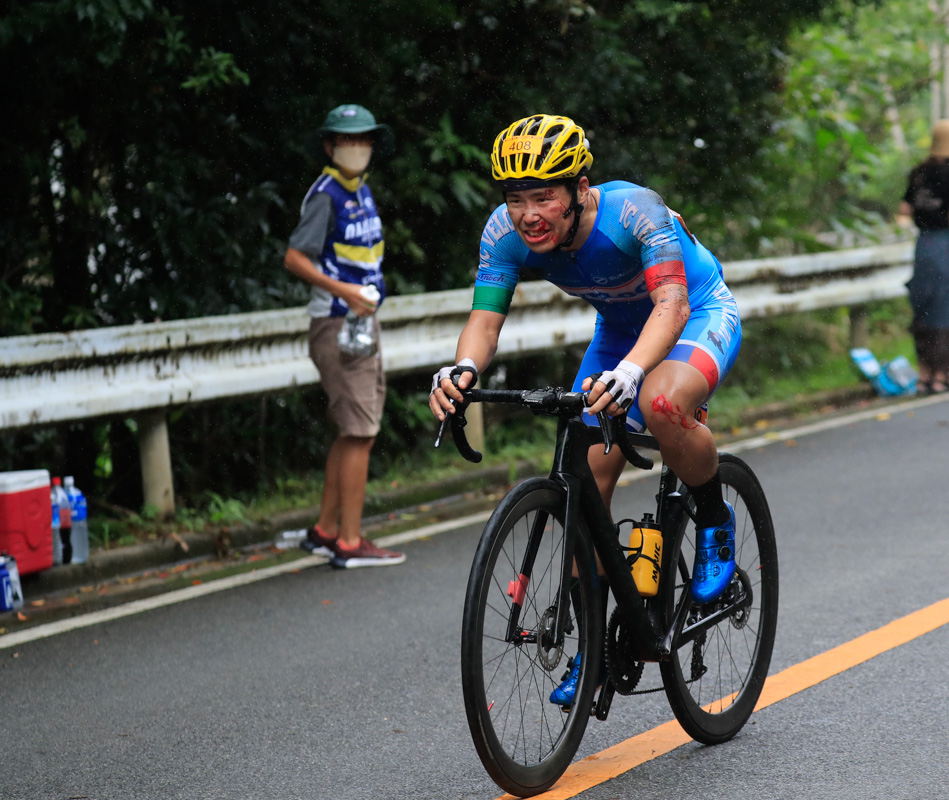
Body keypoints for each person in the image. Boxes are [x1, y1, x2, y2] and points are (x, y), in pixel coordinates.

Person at [428, 114, 742, 705]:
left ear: (581, 188)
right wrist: (462, 371)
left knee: (660, 402)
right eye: (517, 198)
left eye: (545, 195)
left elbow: (671, 304)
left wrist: (630, 373)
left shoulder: (633, 212)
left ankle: (713, 516)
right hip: (621, 332)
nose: (529, 214)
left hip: (694, 315)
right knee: (582, 482)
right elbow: (485, 320)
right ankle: (593, 651)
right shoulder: (504, 233)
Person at [281, 104, 406, 568]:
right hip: (338, 321)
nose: (355, 148)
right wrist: (348, 292)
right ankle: (349, 545)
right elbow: (295, 258)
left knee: (353, 432)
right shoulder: (327, 194)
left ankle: (325, 531)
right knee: (360, 432)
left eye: (363, 140)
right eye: (346, 140)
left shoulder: (359, 191)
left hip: (355, 321)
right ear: (329, 146)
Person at [898, 119, 949, 394]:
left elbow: (904, 209)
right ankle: (946, 375)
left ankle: (926, 375)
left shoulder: (917, 173)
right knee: (947, 309)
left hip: (923, 248)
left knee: (924, 309)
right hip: (944, 246)